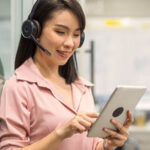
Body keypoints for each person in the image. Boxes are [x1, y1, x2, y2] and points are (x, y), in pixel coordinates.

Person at [0, 0, 134, 150]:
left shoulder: (82, 87)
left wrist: (106, 145)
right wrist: (62, 132)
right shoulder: (18, 87)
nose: (70, 43)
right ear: (35, 32)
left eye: (76, 34)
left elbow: (89, 145)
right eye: (60, 32)